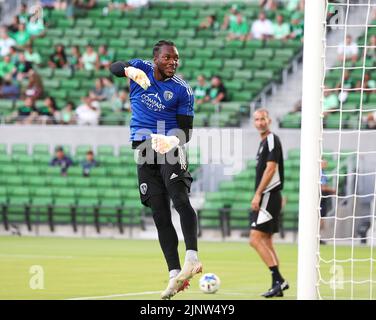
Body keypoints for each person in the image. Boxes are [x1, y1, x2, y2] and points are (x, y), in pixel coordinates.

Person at [110, 40, 202, 300]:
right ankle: (174, 274)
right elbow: (114, 67)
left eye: (176, 58)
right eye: (168, 58)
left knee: (180, 200)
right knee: (160, 214)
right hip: (142, 148)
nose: (173, 62)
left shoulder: (182, 90)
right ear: (156, 59)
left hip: (168, 145)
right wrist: (128, 71)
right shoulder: (141, 69)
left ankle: (192, 257)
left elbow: (187, 131)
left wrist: (173, 140)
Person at [249, 108, 289, 298]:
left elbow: (271, 168)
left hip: (268, 195)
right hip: (269, 196)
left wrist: (258, 194)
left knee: (255, 239)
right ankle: (277, 284)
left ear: (269, 120)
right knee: (266, 240)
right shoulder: (262, 142)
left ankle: (278, 279)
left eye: (263, 119)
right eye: (257, 119)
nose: (260, 122)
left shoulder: (272, 139)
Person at [319, 160, 336, 244]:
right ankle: (316, 237)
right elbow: (321, 187)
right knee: (320, 219)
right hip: (320, 198)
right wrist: (331, 190)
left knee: (322, 219)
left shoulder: (323, 173)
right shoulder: (319, 173)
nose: (326, 164)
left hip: (324, 198)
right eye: (324, 162)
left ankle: (318, 237)